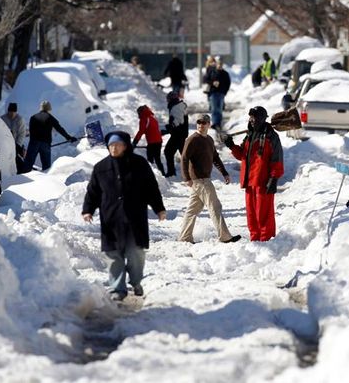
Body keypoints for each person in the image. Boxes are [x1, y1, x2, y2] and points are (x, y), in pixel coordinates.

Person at [82, 131, 166, 300]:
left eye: (117, 145)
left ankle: (135, 281)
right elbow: (93, 191)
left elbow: (151, 188)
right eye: (111, 145)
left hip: (135, 218)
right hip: (111, 219)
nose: (113, 148)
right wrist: (88, 209)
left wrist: (159, 208)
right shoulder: (101, 167)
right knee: (113, 256)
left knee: (136, 254)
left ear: (126, 146)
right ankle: (117, 289)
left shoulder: (139, 164)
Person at [179, 114, 241, 244]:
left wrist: (224, 172)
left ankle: (184, 237)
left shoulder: (209, 140)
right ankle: (225, 236)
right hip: (200, 179)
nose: (201, 125)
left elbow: (215, 158)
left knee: (192, 210)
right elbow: (184, 158)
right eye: (199, 122)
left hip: (204, 178)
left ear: (208, 124)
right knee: (215, 206)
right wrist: (186, 178)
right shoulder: (192, 139)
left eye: (204, 122)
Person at [224, 106, 283, 241]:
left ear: (262, 119)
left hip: (263, 181)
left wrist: (273, 179)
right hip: (249, 180)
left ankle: (266, 239)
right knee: (251, 214)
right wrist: (231, 145)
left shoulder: (271, 136)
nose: (251, 120)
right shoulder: (250, 135)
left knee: (264, 213)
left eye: (254, 118)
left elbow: (277, 160)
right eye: (250, 117)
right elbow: (242, 155)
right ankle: (255, 238)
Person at [23, 100, 77, 172]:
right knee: (46, 167)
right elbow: (59, 129)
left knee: (28, 165)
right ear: (49, 109)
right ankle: (46, 181)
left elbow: (31, 131)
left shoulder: (33, 117)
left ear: (41, 108)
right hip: (45, 144)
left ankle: (23, 179)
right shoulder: (50, 118)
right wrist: (69, 137)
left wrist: (34, 143)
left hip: (34, 143)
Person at [132, 105, 165, 174]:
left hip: (152, 142)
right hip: (159, 141)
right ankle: (162, 174)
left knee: (150, 159)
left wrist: (134, 142)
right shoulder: (152, 117)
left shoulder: (144, 118)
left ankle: (152, 174)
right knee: (157, 159)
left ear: (140, 112)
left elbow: (141, 131)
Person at [163, 91, 189, 177]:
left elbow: (177, 122)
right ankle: (193, 171)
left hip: (178, 134)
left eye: (168, 99)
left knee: (168, 151)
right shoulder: (179, 106)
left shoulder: (175, 108)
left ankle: (171, 172)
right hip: (181, 133)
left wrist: (168, 129)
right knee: (184, 154)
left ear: (170, 99)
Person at [206, 57, 231, 130]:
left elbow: (228, 83)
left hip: (221, 93)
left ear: (222, 65)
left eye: (221, 64)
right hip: (213, 92)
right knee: (214, 109)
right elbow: (206, 80)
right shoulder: (212, 72)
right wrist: (212, 83)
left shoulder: (225, 73)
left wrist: (224, 92)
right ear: (216, 64)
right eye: (218, 64)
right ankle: (214, 123)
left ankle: (218, 123)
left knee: (219, 109)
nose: (219, 65)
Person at [1, 102, 26, 173]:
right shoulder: (3, 119)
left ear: (16, 112)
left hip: (16, 144)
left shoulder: (19, 120)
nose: (12, 114)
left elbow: (22, 133)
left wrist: (18, 145)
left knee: (18, 161)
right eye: (10, 112)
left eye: (13, 112)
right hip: (5, 144)